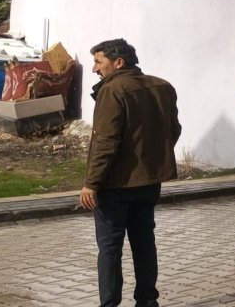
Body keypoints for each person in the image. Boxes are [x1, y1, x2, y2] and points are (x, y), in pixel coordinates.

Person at [80, 39, 181, 307]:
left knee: (110, 249)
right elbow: (173, 131)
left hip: (115, 185)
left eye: (99, 62)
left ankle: (109, 304)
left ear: (118, 62)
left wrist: (91, 183)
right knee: (144, 242)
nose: (94, 68)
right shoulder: (162, 86)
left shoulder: (112, 90)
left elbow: (106, 141)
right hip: (149, 182)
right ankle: (148, 301)